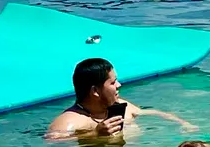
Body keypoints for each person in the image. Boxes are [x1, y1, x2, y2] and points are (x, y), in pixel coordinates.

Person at [45, 57, 196, 140]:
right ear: (95, 91)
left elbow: (152, 113)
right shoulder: (71, 120)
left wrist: (184, 123)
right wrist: (94, 134)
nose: (119, 85)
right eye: (112, 82)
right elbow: (51, 142)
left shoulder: (121, 105)